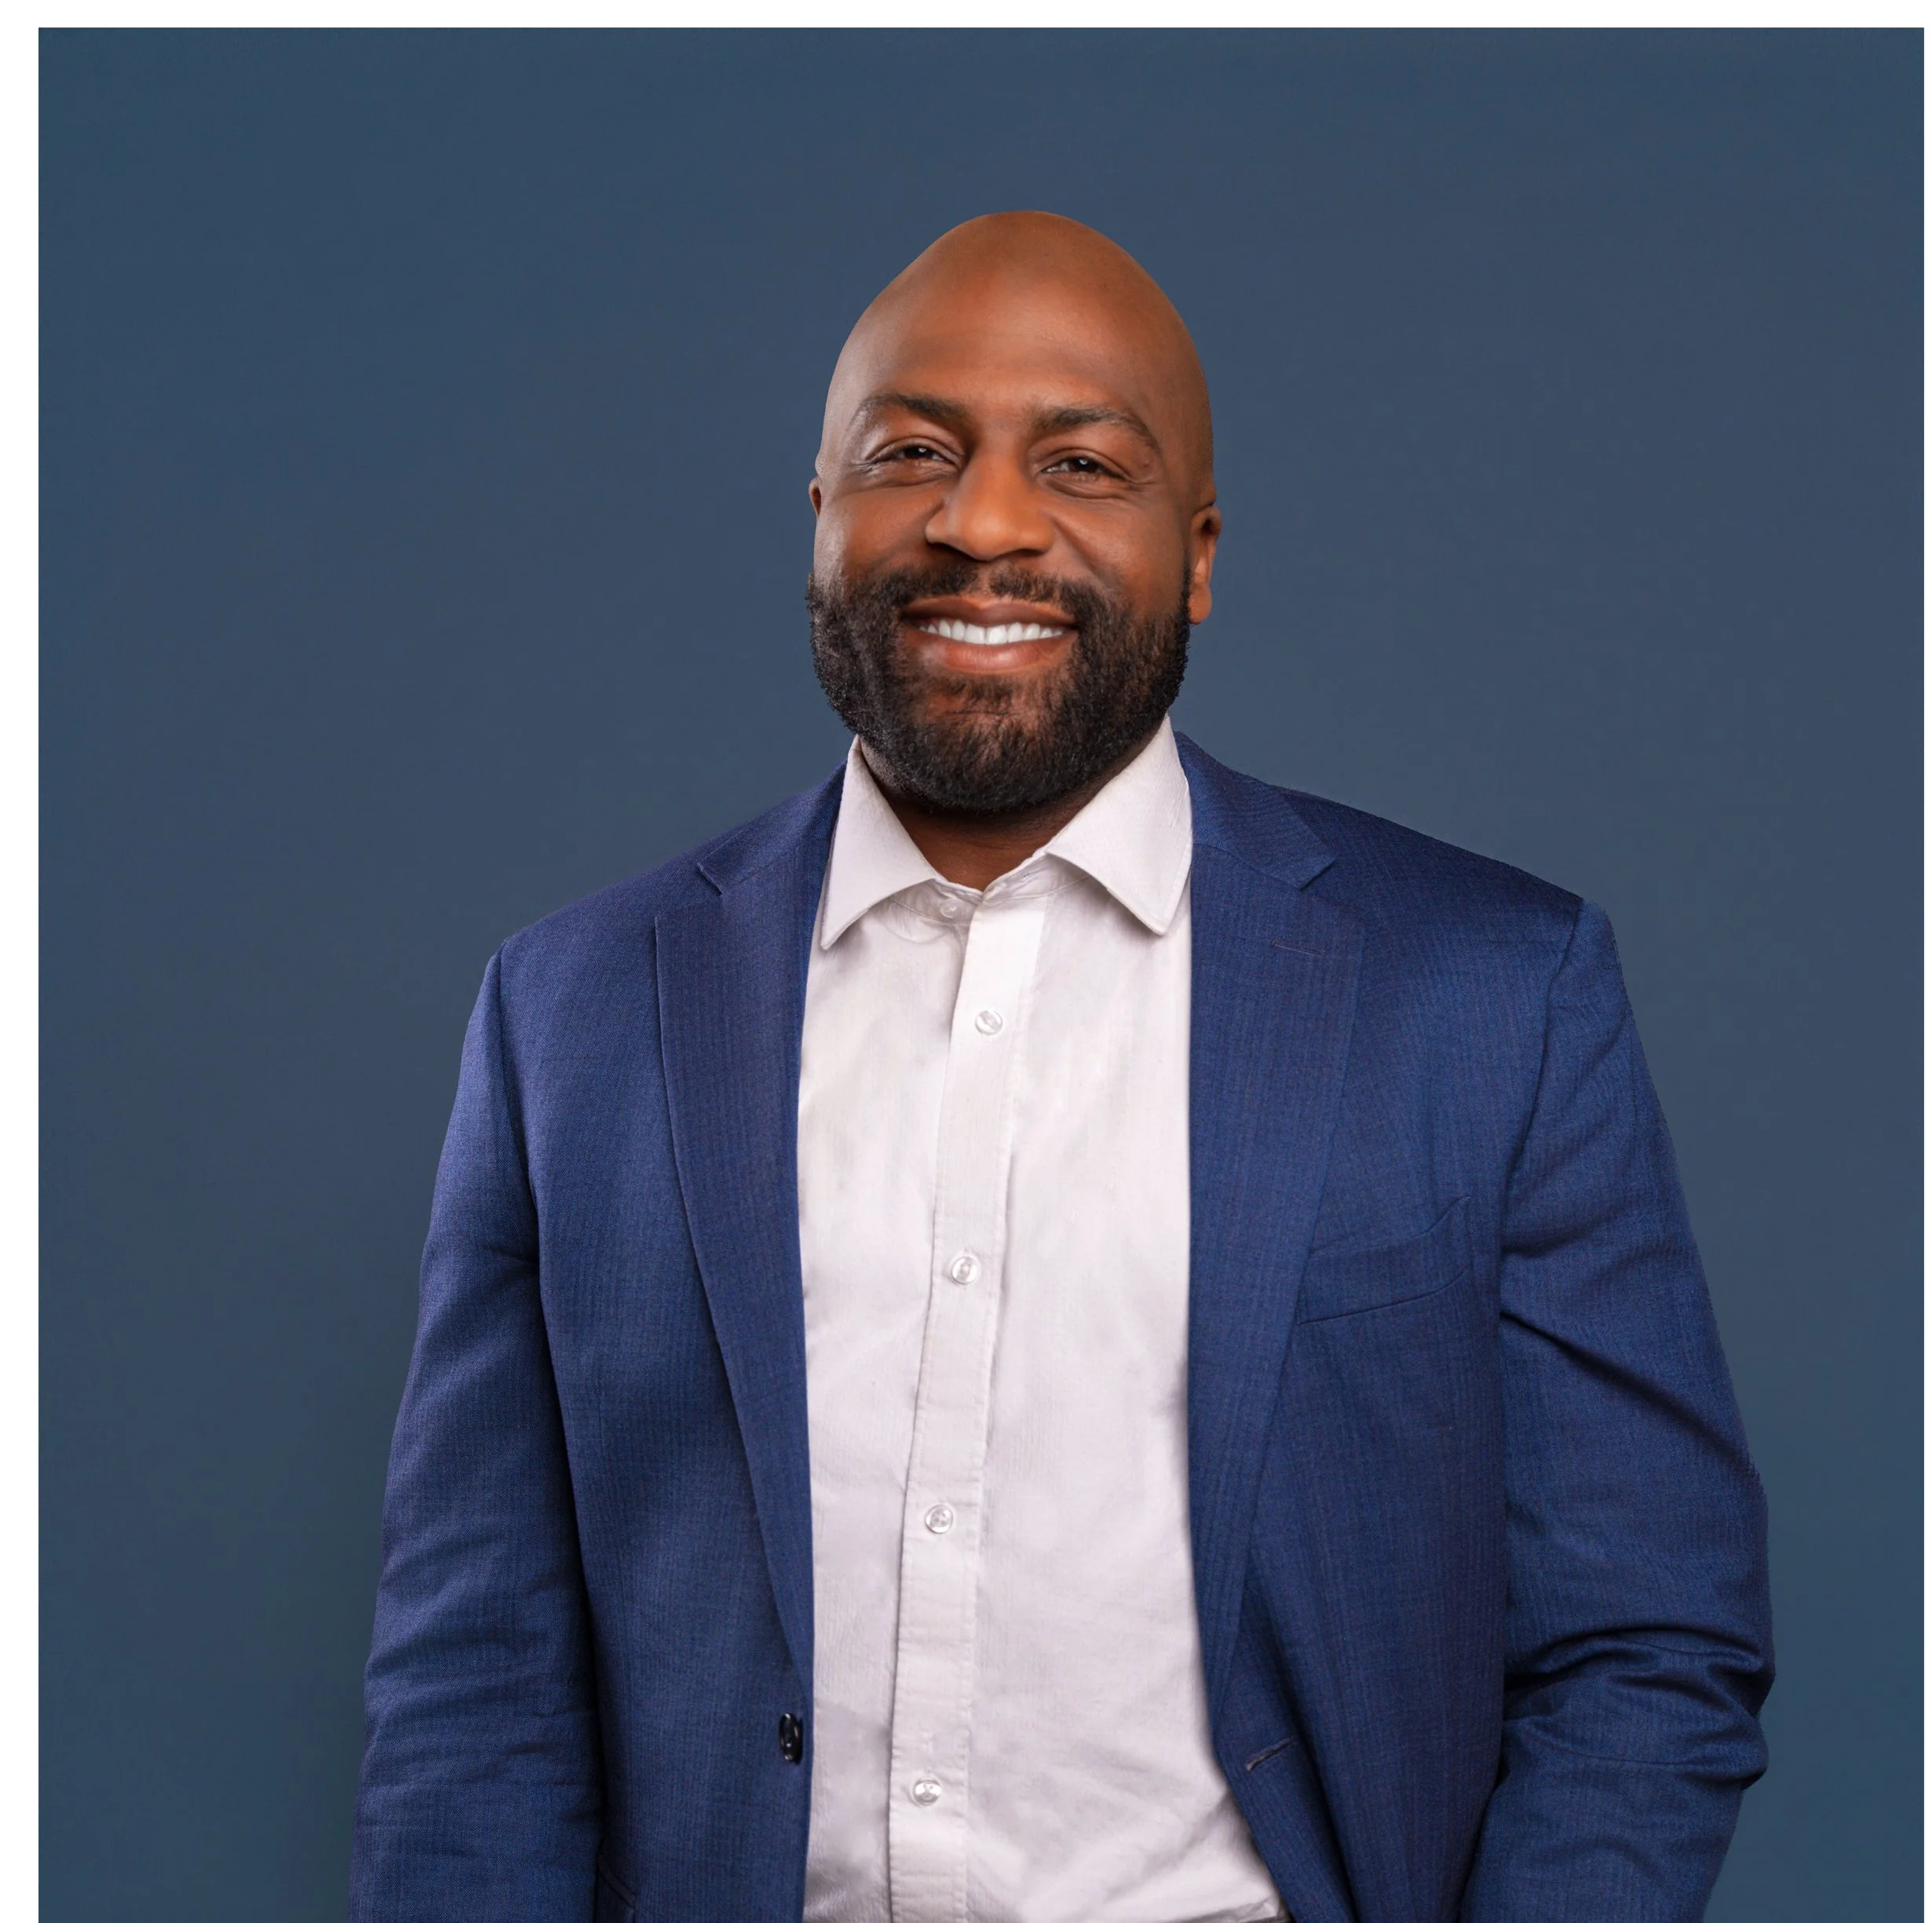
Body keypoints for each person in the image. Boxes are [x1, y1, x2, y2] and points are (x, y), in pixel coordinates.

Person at [349, 212, 1772, 1923]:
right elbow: (474, 1680)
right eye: (910, 452)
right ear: (818, 520)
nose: (984, 521)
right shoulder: (568, 1011)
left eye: (1080, 462)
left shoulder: (1487, 997)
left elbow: (1643, 1641)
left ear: (1197, 551)